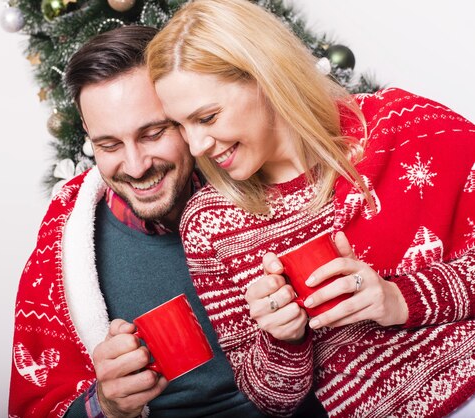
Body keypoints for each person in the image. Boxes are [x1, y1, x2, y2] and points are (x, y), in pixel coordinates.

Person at [146, 0, 475, 417]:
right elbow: (271, 399)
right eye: (180, 126)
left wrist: (399, 297)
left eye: (207, 117)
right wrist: (282, 337)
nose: (196, 147)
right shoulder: (209, 223)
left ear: (266, 77)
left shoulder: (401, 125)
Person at [8, 25, 325, 418]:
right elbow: (36, 405)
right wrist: (105, 404)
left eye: (154, 133)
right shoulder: (67, 247)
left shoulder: (271, 187)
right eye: (109, 145)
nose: (137, 166)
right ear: (88, 135)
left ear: (185, 117)